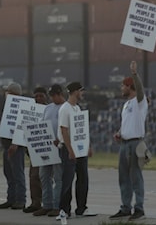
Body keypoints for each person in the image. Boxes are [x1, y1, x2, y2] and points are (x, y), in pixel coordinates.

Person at [109, 61, 149, 221]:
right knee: (123, 177)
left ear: (129, 86)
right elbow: (128, 124)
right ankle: (125, 207)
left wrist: (134, 74)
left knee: (136, 177)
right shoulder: (126, 105)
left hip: (136, 144)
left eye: (123, 86)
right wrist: (120, 133)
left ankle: (139, 208)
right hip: (125, 144)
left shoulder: (140, 102)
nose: (121, 88)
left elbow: (140, 90)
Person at [57, 82, 95, 219]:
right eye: (81, 91)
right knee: (67, 180)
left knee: (83, 179)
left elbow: (82, 131)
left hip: (80, 150)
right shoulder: (65, 109)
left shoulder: (78, 109)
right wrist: (70, 150)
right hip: (69, 149)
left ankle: (81, 208)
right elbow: (64, 130)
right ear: (74, 92)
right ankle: (64, 210)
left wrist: (88, 146)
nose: (82, 93)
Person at [33, 84, 65, 217]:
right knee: (44, 176)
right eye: (51, 96)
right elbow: (41, 125)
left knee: (58, 177)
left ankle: (57, 205)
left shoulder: (65, 107)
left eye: (55, 95)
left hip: (59, 146)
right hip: (46, 146)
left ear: (60, 94)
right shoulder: (48, 108)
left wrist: (61, 139)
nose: (53, 98)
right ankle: (47, 204)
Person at [0, 82, 27, 210]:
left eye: (8, 91)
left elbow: (21, 127)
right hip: (6, 145)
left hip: (16, 147)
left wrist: (16, 143)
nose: (6, 94)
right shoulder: (7, 107)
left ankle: (20, 199)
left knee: (18, 174)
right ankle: (11, 199)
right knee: (8, 173)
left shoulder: (21, 107)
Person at [23, 86, 48, 213]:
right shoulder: (30, 112)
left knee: (46, 177)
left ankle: (48, 202)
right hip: (34, 148)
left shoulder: (50, 110)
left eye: (41, 96)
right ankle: (35, 202)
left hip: (48, 148)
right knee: (33, 176)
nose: (38, 98)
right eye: (36, 96)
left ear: (45, 97)